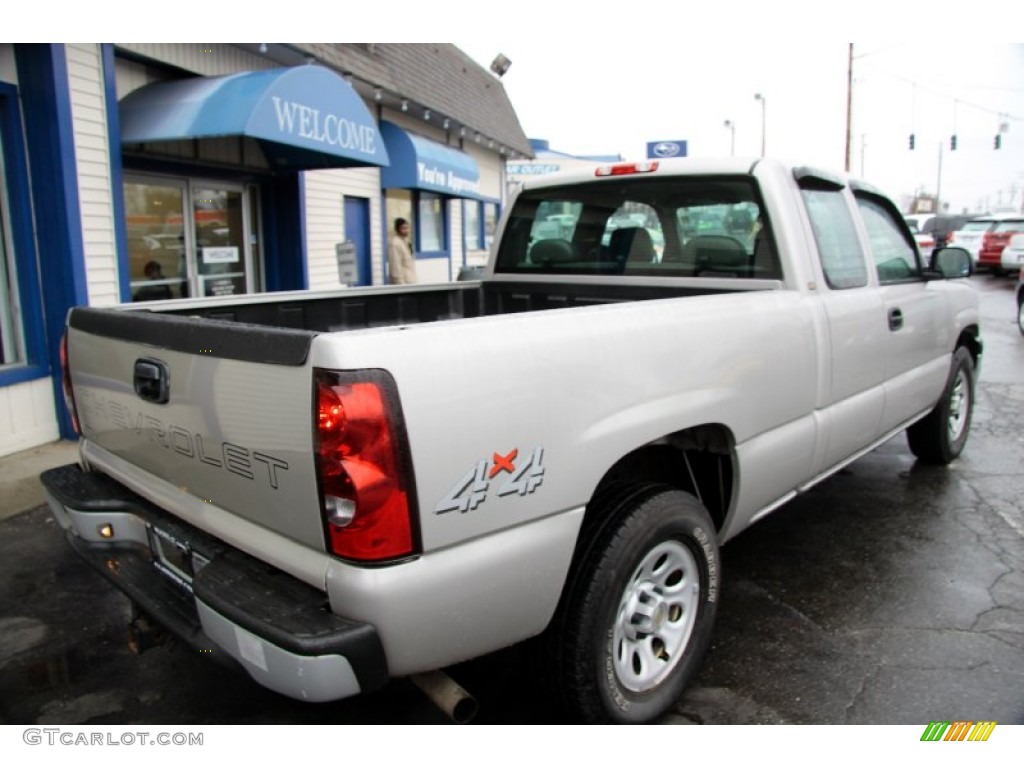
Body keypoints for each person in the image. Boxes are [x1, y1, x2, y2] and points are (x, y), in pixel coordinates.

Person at [388, 218, 417, 284]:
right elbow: (395, 267)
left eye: (407, 228)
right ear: (398, 229)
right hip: (402, 282)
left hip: (410, 280)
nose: (406, 230)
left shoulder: (406, 242)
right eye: (403, 228)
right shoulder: (395, 243)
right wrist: (400, 284)